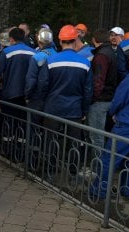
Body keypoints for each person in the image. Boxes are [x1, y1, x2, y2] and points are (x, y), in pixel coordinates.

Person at [90, 46, 129, 199]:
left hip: (126, 123)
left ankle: (99, 191)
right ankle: (127, 191)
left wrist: (113, 112)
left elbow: (120, 98)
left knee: (109, 159)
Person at [37, 25, 92, 177]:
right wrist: (84, 111)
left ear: (60, 41)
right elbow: (88, 91)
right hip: (74, 109)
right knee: (73, 142)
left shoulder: (50, 60)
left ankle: (49, 171)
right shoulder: (85, 63)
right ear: (75, 41)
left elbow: (43, 85)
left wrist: (43, 104)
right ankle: (73, 172)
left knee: (50, 141)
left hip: (53, 108)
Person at [0, 27, 36, 120]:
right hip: (27, 95)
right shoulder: (33, 52)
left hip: (10, 94)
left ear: (11, 39)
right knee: (23, 124)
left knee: (9, 123)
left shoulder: (6, 52)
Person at [87, 29, 119, 153]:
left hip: (100, 101)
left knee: (96, 136)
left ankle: (97, 169)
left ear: (94, 40)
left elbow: (98, 81)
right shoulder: (110, 52)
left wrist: (92, 98)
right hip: (106, 97)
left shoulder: (101, 55)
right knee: (98, 135)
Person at [25, 28, 57, 124]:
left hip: (37, 97)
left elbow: (31, 80)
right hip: (52, 97)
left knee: (33, 126)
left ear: (39, 41)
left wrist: (27, 95)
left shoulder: (36, 57)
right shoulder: (57, 55)